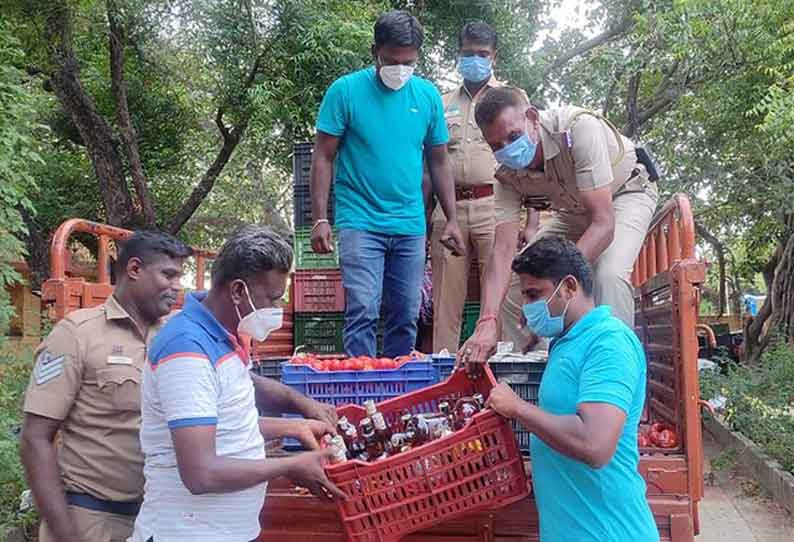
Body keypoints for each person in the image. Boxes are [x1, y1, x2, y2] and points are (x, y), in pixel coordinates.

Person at [131, 225, 345, 542]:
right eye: (272, 299)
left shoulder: (226, 338)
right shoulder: (187, 350)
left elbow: (227, 425)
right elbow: (200, 473)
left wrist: (294, 427)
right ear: (237, 291)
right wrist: (289, 464)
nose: (277, 310)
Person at [460, 86, 658, 361]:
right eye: (496, 146)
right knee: (520, 276)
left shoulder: (579, 129)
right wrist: (487, 321)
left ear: (531, 117)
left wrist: (556, 282)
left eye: (513, 136)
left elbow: (603, 223)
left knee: (608, 276)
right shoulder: (505, 173)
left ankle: (616, 370)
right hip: (574, 210)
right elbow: (503, 250)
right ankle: (534, 366)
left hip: (624, 195)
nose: (507, 150)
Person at [20, 231, 193, 542]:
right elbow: (35, 439)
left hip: (159, 519)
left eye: (179, 276)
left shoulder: (174, 337)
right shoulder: (76, 335)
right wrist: (64, 532)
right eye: (168, 275)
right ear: (135, 269)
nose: (177, 287)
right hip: (92, 521)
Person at [310, 10, 465, 358]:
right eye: (391, 60)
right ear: (374, 51)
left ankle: (397, 395)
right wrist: (320, 218)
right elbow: (323, 156)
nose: (399, 68)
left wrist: (452, 218)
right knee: (363, 309)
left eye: (407, 61)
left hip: (410, 224)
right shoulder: (345, 92)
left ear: (417, 57)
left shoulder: (426, 97)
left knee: (406, 315)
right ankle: (363, 388)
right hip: (360, 221)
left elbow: (439, 160)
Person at [484, 237, 659, 542]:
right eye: (524, 296)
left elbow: (594, 444)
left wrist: (517, 408)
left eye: (534, 294)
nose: (527, 308)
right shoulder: (566, 342)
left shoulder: (608, 343)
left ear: (568, 287)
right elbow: (561, 427)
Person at [429, 21, 534, 352]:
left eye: (482, 54)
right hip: (449, 212)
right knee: (445, 304)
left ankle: (500, 378)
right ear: (457, 56)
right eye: (468, 53)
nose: (475, 59)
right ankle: (444, 381)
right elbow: (429, 163)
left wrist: (531, 222)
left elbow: (530, 161)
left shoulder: (514, 98)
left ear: (494, 57)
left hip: (497, 207)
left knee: (501, 297)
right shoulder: (439, 101)